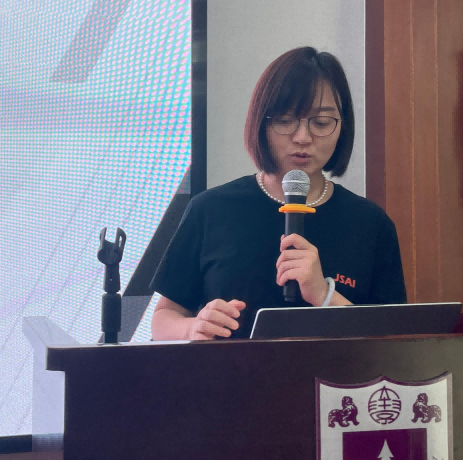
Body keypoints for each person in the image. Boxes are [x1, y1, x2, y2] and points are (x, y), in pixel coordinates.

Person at [150, 46, 407, 340]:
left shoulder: (371, 223)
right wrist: (192, 327)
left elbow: (394, 339)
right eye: (285, 121)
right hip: (229, 371)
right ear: (261, 123)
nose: (302, 137)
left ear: (342, 127)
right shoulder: (210, 209)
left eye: (321, 122)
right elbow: (163, 317)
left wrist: (324, 295)